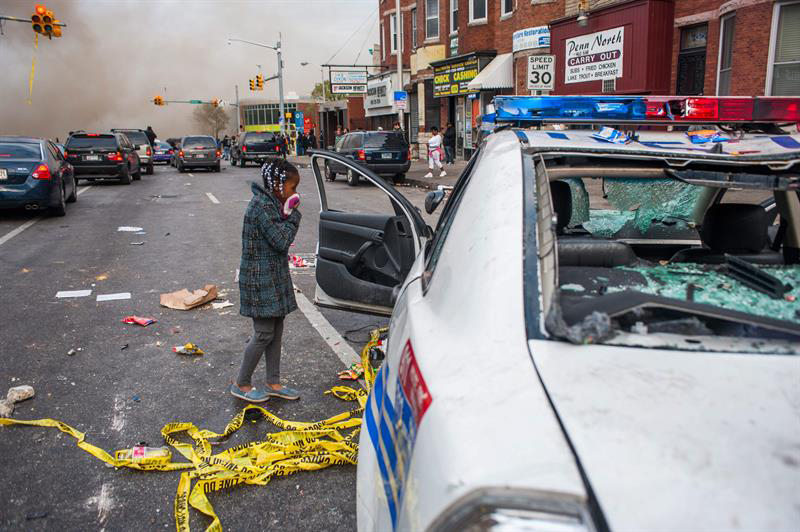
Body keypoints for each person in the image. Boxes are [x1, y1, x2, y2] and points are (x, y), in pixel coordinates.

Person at [232, 157, 302, 403]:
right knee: (263, 333)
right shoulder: (261, 206)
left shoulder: (271, 204)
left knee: (276, 330)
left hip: (273, 278)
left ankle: (273, 381)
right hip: (259, 281)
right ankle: (241, 383)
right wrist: (293, 216)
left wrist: (286, 212)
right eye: (292, 188)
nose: (295, 193)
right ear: (277, 185)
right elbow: (281, 241)